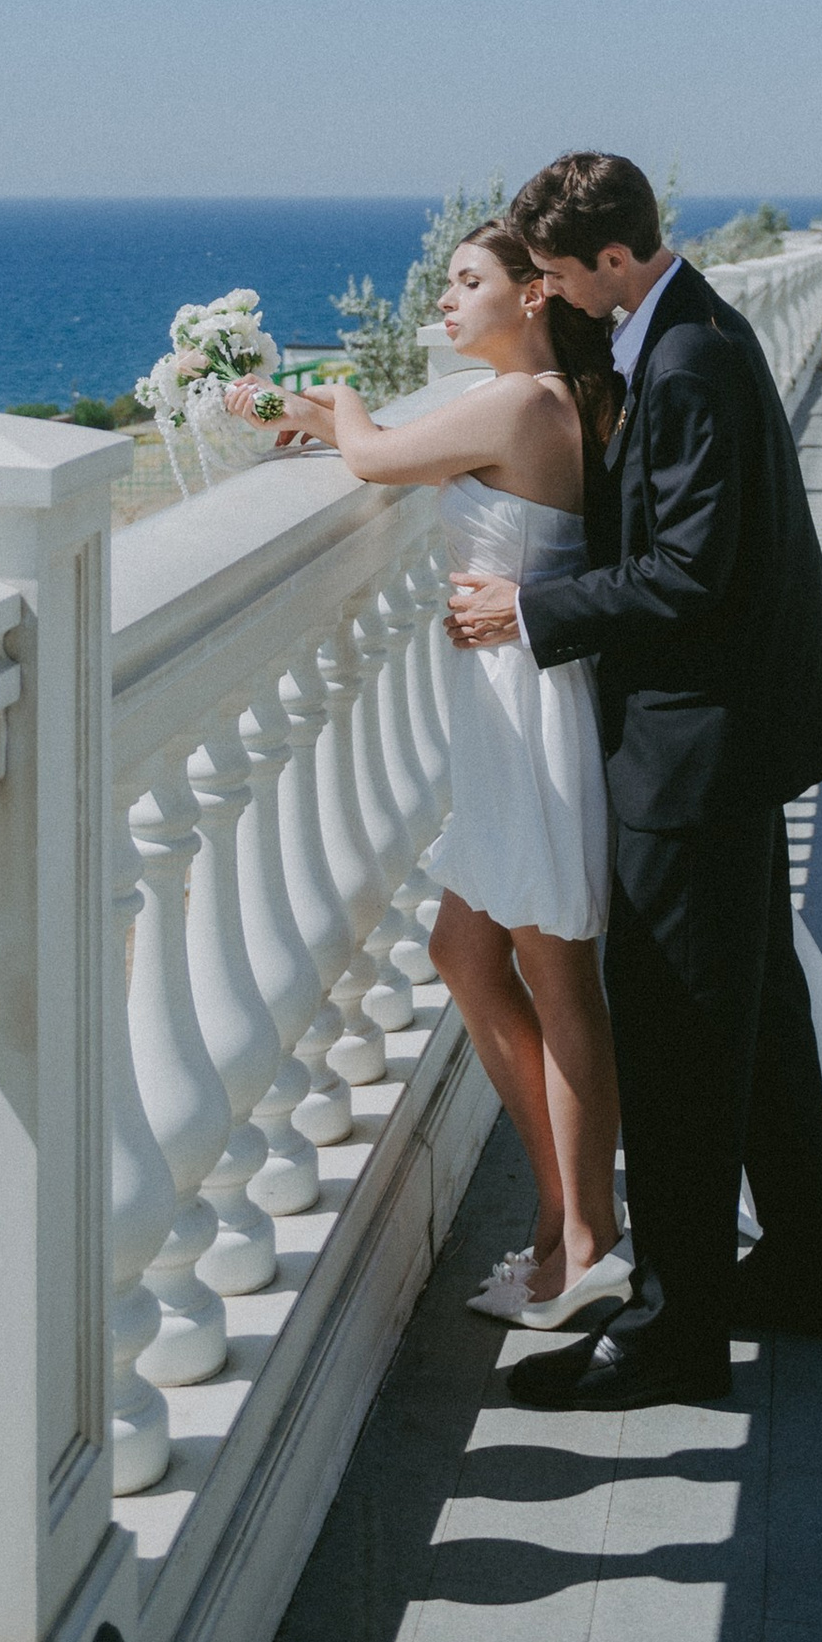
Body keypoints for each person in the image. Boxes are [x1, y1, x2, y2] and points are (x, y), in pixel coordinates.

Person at [447, 148, 822, 1411]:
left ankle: (673, 1331)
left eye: (565, 274)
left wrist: (533, 607)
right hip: (728, 734)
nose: (555, 294)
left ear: (618, 260)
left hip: (701, 746)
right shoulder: (682, 329)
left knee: (684, 1038)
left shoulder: (685, 359)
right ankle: (806, 1264)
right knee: (760, 1023)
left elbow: (690, 573)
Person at [276, 224, 633, 1329]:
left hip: (526, 711)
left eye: (466, 279)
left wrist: (332, 398)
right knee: (462, 949)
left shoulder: (525, 402)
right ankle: (561, 1203)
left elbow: (376, 458)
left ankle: (585, 1240)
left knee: (555, 971)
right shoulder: (541, 399)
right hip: (508, 705)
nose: (443, 296)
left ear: (534, 296)